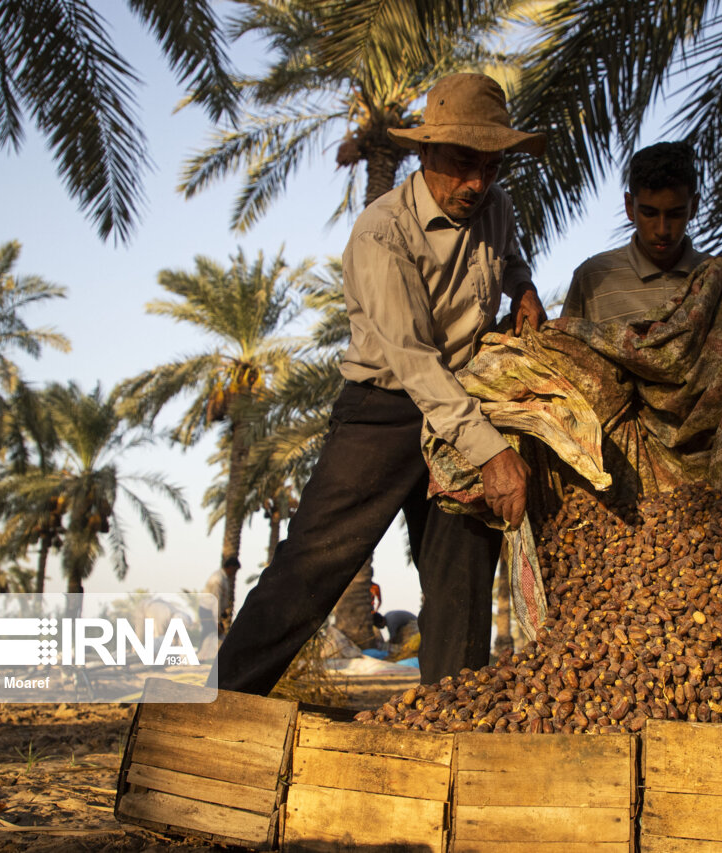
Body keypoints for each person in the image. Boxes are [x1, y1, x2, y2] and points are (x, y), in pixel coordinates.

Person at [215, 73, 547, 693]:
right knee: (316, 559)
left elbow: (509, 254)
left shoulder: (494, 208)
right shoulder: (381, 233)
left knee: (461, 576)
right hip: (384, 410)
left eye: (492, 167)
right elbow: (415, 361)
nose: (476, 183)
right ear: (424, 155)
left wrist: (521, 288)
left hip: (462, 403)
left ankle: (452, 717)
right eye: (461, 164)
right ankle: (223, 701)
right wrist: (493, 452)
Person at [562, 141, 709, 322]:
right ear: (630, 206)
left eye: (675, 214)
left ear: (693, 207)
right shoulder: (592, 278)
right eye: (649, 213)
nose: (662, 230)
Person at [201, 555, 239, 637]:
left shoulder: (224, 578)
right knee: (211, 638)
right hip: (209, 612)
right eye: (235, 570)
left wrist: (223, 612)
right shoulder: (218, 579)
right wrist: (217, 623)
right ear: (231, 567)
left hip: (213, 613)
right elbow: (215, 602)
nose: (234, 573)